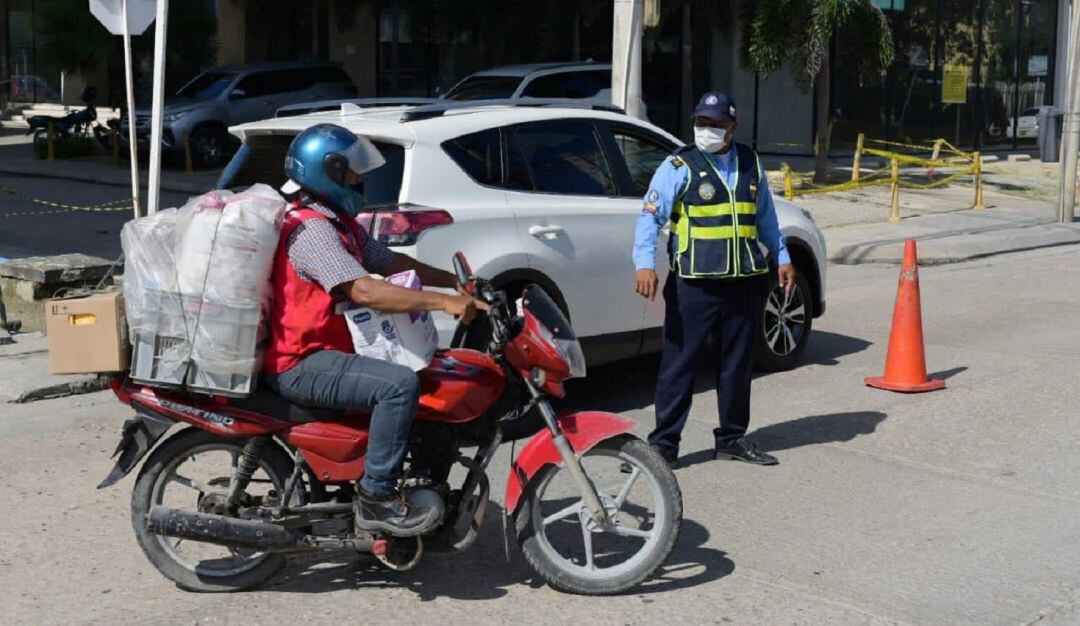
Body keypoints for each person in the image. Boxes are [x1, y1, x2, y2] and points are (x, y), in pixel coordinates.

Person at [262, 123, 487, 535]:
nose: (360, 179)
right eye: (351, 172)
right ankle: (377, 498)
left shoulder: (338, 223)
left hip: (326, 353)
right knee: (398, 385)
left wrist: (452, 282)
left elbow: (389, 263)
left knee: (433, 373)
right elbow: (366, 290)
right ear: (328, 171)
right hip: (301, 363)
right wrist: (442, 303)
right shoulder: (312, 230)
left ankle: (421, 477)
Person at [632, 93, 795, 468]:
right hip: (695, 283)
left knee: (736, 365)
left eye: (715, 124)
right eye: (701, 123)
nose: (706, 130)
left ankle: (732, 438)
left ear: (732, 127)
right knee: (679, 366)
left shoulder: (750, 163)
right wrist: (644, 264)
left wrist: (782, 256)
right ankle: (663, 447)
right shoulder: (679, 165)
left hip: (743, 281)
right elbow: (650, 217)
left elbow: (766, 218)